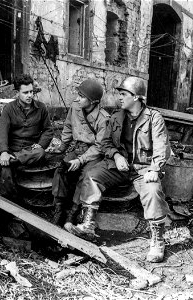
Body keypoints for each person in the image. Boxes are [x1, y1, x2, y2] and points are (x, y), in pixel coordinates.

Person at [65, 76, 171, 263]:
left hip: (143, 169)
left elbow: (163, 147)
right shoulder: (116, 116)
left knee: (153, 191)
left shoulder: (154, 118)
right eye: (119, 94)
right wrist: (116, 155)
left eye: (123, 94)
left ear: (137, 97)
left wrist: (155, 169)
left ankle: (157, 240)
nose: (119, 97)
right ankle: (88, 224)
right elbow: (105, 142)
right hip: (118, 167)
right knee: (92, 175)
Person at [50, 78, 110, 227]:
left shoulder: (103, 119)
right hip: (77, 148)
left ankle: (73, 212)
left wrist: (80, 160)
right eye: (78, 95)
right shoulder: (75, 107)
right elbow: (68, 127)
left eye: (82, 96)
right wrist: (62, 147)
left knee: (85, 176)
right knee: (61, 169)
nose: (77, 99)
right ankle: (58, 210)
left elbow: (99, 146)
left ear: (93, 101)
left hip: (93, 153)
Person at [0, 74, 53, 198]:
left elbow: (48, 130)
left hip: (32, 150)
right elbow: (2, 132)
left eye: (31, 91)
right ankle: (8, 203)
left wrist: (41, 144)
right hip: (13, 149)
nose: (30, 95)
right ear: (17, 93)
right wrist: (4, 152)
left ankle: (11, 160)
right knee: (5, 172)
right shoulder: (9, 109)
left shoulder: (41, 108)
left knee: (41, 152)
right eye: (25, 92)